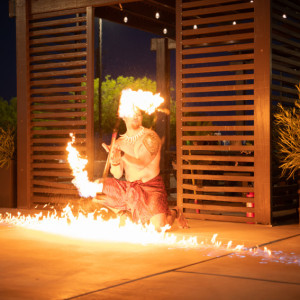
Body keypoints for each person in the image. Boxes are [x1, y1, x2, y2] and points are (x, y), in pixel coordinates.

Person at [94, 109, 188, 231]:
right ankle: (124, 213)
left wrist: (121, 154)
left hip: (151, 189)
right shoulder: (119, 143)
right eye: (132, 113)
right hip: (131, 189)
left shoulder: (151, 137)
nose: (136, 116)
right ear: (124, 117)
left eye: (138, 114)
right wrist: (115, 160)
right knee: (95, 187)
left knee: (159, 228)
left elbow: (141, 163)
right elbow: (117, 174)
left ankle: (175, 212)